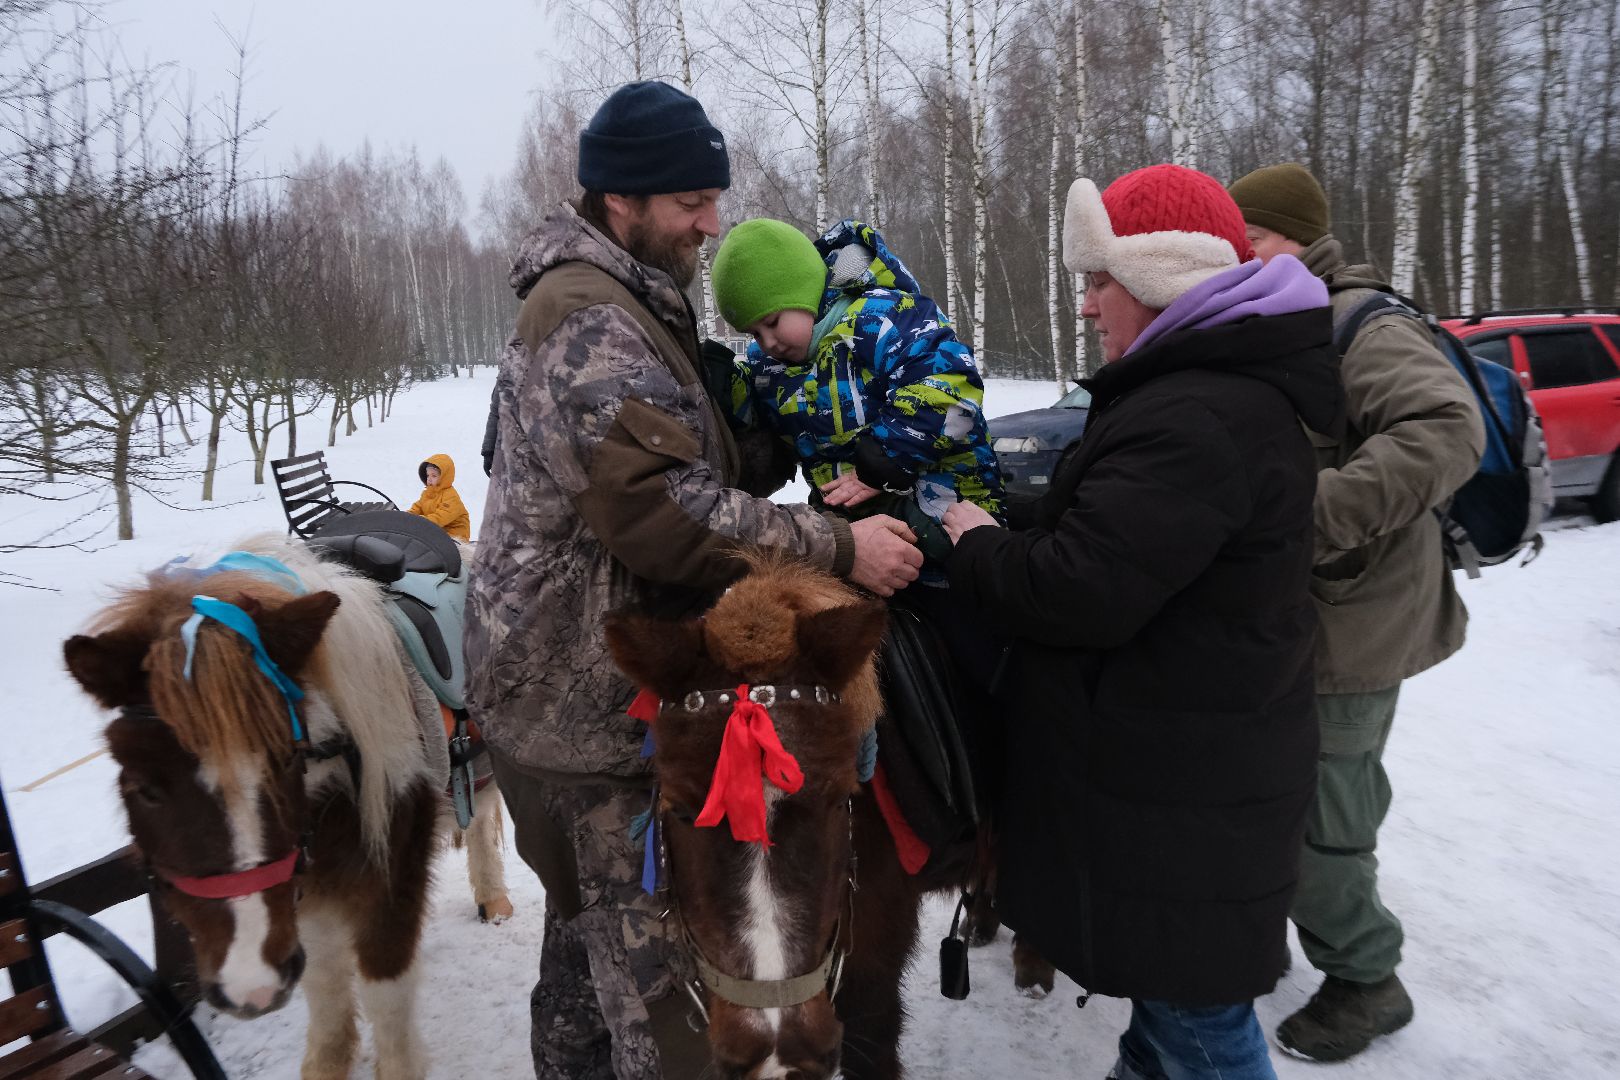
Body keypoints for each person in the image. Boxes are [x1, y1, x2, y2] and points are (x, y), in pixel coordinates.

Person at [462, 80, 923, 1080]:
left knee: (586, 956)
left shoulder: (621, 303)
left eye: (714, 197)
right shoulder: (589, 319)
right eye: (689, 204)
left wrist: (784, 426)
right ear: (619, 201)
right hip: (583, 697)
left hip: (557, 690)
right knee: (667, 1007)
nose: (712, 224)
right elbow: (662, 518)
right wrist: (840, 549)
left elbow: (677, 465)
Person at [940, 164, 1346, 1080]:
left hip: (1180, 793)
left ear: (1160, 280)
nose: (1087, 309)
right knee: (1172, 1020)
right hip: (1187, 770)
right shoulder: (1201, 395)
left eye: (1098, 282)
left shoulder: (1195, 417)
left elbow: (1080, 588)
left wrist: (974, 544)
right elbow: (1117, 539)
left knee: (1200, 1026)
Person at [1228, 162, 1485, 1063]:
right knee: (1288, 801)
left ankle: (1369, 981)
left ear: (1290, 238)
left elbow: (1446, 430)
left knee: (1326, 822)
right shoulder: (1289, 316)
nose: (1233, 256)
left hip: (1355, 626)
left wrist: (1304, 519)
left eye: (1246, 239)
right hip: (1306, 620)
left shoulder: (1357, 323)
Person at [710, 217, 1004, 569]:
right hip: (858, 526)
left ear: (805, 292)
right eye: (754, 334)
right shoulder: (769, 366)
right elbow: (758, 411)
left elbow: (950, 384)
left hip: (947, 510)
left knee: (949, 579)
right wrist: (724, 386)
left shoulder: (882, 319)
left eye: (771, 322)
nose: (768, 342)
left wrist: (888, 455)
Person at [406, 453, 470, 541]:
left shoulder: (451, 496)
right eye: (428, 475)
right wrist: (407, 516)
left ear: (444, 477)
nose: (429, 479)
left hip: (454, 537)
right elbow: (418, 507)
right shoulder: (428, 493)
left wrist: (420, 521)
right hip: (438, 533)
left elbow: (441, 517)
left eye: (434, 476)